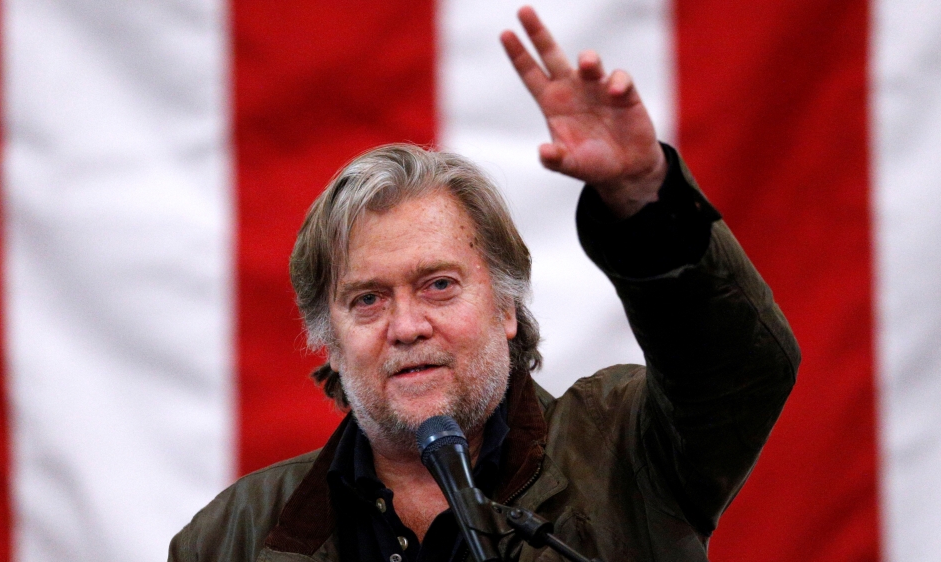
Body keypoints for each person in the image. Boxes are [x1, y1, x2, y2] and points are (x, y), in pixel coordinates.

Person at [168, 6, 799, 562]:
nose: (408, 326)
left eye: (439, 285)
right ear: (329, 339)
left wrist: (641, 196)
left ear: (506, 308)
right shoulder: (230, 540)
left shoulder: (626, 455)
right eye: (368, 299)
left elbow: (736, 370)